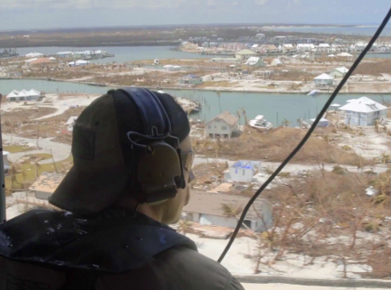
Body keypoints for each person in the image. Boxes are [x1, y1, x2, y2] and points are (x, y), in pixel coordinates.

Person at [0, 88, 244, 290]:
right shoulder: (206, 282)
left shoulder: (12, 244)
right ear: (159, 168)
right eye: (187, 163)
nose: (190, 177)